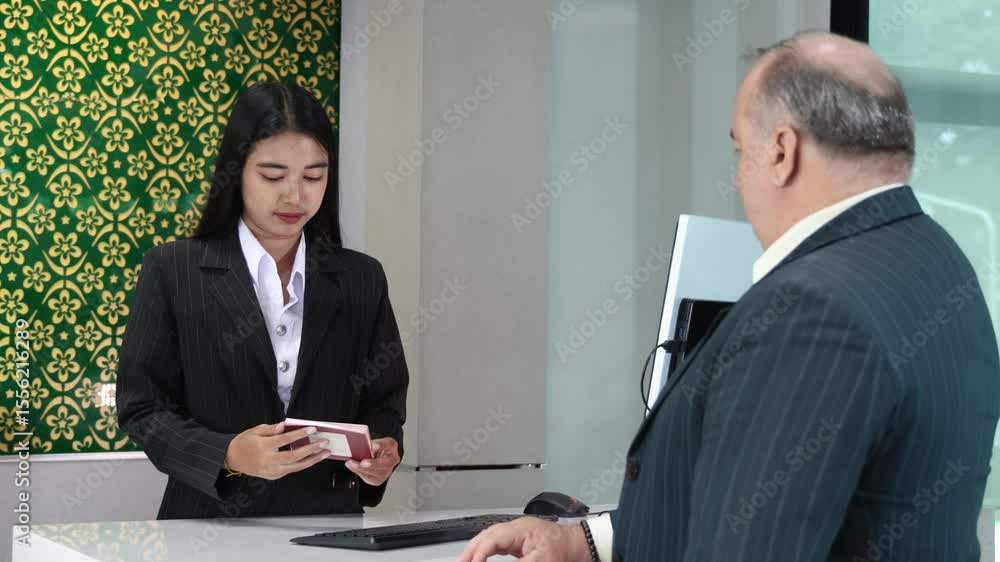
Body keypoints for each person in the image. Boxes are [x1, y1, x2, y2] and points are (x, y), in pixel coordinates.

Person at [458, 31, 1000, 562]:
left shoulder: (811, 310)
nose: (740, 179)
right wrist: (584, 542)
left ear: (782, 152)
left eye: (742, 152)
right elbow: (796, 500)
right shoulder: (941, 265)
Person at [117, 82, 409, 519]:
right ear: (236, 172)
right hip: (205, 527)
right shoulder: (174, 270)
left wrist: (382, 453)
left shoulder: (361, 278)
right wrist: (228, 454)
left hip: (329, 527)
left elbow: (384, 401)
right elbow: (142, 409)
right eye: (273, 176)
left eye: (314, 176)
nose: (295, 195)